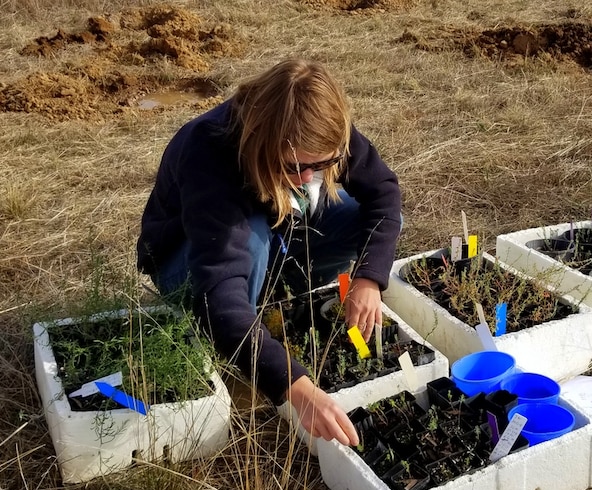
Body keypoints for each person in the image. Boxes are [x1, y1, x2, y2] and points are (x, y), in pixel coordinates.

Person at [136, 58, 403, 446]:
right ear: (263, 140)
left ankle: (270, 300)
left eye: (323, 164)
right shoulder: (209, 149)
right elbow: (220, 289)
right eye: (295, 166)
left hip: (269, 236)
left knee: (357, 217)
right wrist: (294, 385)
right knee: (251, 240)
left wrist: (367, 278)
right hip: (189, 265)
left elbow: (383, 193)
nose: (309, 178)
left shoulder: (320, 127)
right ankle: (235, 349)